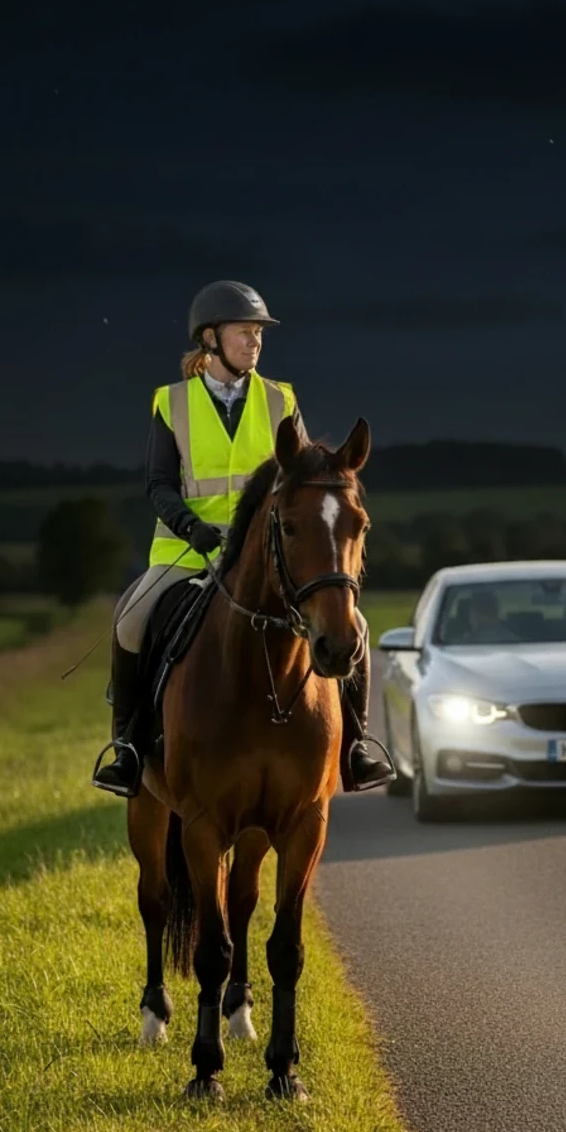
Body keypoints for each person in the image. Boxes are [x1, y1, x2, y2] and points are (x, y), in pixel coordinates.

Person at [91, 278, 395, 797]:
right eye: (243, 332)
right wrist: (191, 526)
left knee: (355, 627)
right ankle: (129, 747)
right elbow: (158, 484)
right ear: (210, 339)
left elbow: (301, 474)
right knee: (131, 618)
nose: (254, 341)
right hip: (188, 551)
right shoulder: (173, 403)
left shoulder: (281, 399)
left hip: (268, 552)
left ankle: (357, 747)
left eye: (258, 332)